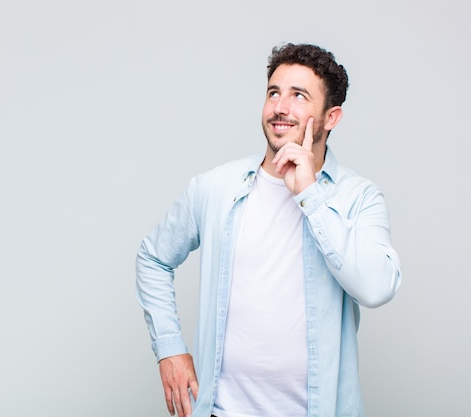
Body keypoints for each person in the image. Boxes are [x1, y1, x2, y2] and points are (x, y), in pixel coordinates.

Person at [135, 43, 402, 417]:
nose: (280, 107)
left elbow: (376, 288)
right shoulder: (215, 188)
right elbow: (153, 257)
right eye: (273, 93)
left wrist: (310, 195)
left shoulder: (358, 198)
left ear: (331, 117)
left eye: (299, 96)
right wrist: (169, 347)